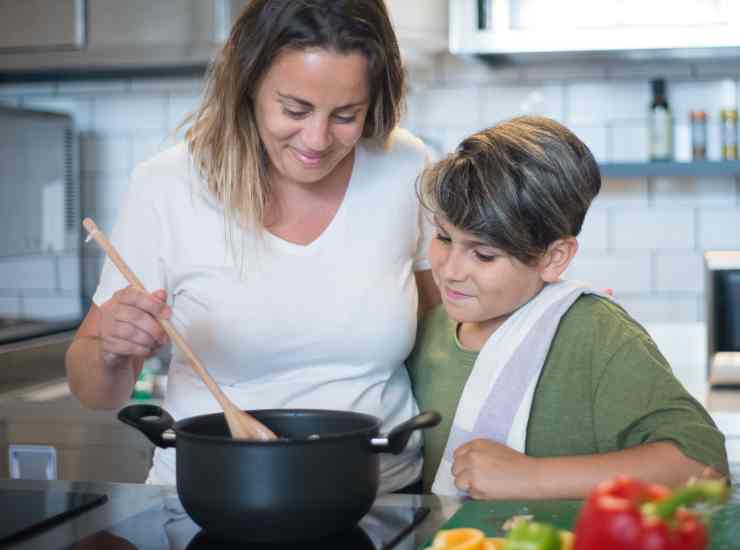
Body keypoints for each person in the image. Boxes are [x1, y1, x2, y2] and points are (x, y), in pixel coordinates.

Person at [65, 0, 440, 493]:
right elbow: (94, 390)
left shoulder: (405, 166)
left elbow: (443, 332)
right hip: (213, 495)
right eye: (295, 109)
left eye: (346, 115)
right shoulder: (168, 185)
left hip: (381, 494)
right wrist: (112, 351)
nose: (317, 138)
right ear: (248, 82)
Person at [406, 116, 729, 499]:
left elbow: (702, 467)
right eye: (444, 237)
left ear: (554, 257)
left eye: (484, 254)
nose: (451, 269)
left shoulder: (596, 334)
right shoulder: (425, 330)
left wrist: (531, 477)